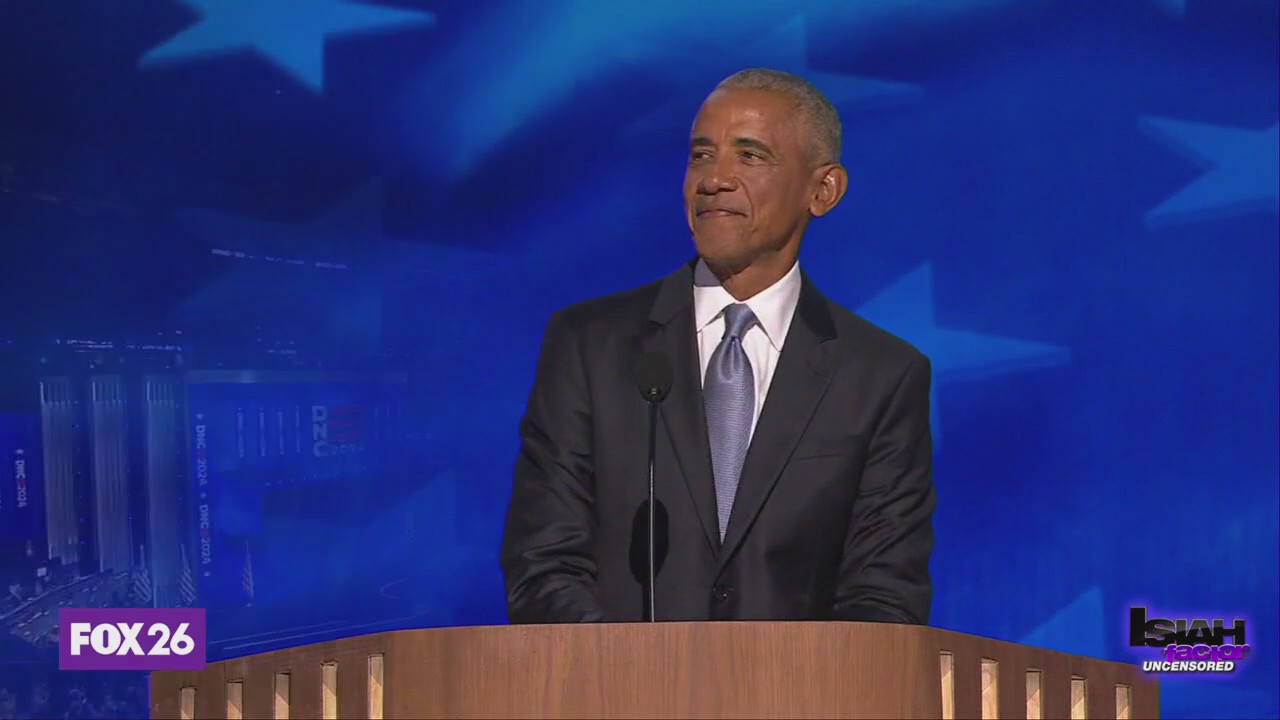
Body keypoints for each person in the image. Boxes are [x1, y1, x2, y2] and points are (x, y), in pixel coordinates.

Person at [500, 68, 935, 624]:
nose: (714, 180)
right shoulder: (590, 346)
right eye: (702, 155)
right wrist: (635, 690)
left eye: (750, 156)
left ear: (822, 191)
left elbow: (885, 597)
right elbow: (544, 564)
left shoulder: (881, 376)